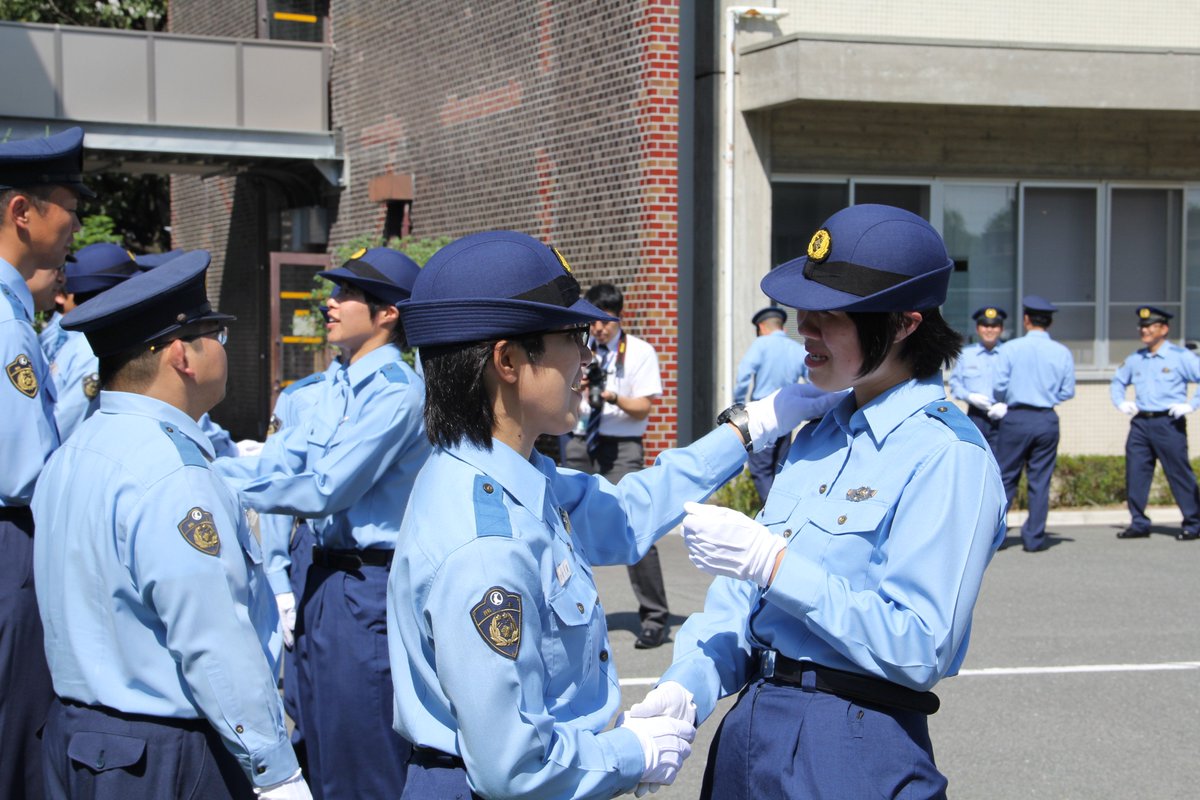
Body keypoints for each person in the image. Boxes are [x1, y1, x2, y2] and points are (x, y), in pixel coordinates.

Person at [386, 230, 826, 799]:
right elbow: (513, 766)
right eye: (574, 336)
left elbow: (626, 514)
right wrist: (631, 751)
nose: (589, 358)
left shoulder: (504, 475)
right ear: (509, 360)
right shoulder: (484, 544)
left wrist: (750, 426)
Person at [633, 204, 1006, 799]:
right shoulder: (820, 432)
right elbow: (742, 601)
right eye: (805, 310)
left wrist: (777, 566)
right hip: (754, 728)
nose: (804, 328)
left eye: (830, 316)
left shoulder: (947, 456)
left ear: (906, 323)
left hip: (852, 740)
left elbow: (919, 645)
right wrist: (685, 689)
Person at [31, 250, 310, 799]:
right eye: (217, 337)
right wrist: (278, 772)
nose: (222, 353)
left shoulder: (75, 450)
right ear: (182, 353)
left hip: (78, 737)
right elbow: (213, 639)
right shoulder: (174, 474)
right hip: (162, 755)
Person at [214, 247, 430, 799]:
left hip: (367, 587)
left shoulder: (396, 394)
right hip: (324, 578)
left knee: (362, 755)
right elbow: (284, 463)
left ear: (389, 314)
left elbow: (328, 487)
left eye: (348, 294)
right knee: (314, 737)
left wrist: (213, 482)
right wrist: (214, 465)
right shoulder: (334, 385)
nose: (330, 303)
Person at [0, 126, 87, 800]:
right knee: (18, 732)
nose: (74, 223)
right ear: (21, 211)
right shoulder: (6, 323)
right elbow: (24, 470)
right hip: (13, 539)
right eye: (68, 205)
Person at [561, 282, 671, 649]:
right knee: (562, 524)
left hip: (622, 445)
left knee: (634, 523)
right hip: (580, 441)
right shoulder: (581, 350)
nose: (600, 329)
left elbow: (644, 408)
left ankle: (655, 618)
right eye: (595, 322)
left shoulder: (639, 352)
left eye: (606, 323)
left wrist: (610, 395)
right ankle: (567, 612)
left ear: (619, 318)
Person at [990, 295, 1076, 552]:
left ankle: (998, 536)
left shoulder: (1010, 348)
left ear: (1026, 320)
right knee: (1040, 480)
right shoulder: (1062, 352)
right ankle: (1035, 538)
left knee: (1006, 478)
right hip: (1046, 418)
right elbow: (1067, 391)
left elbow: (998, 387)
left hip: (1016, 417)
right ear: (1048, 323)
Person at [1110, 306, 1200, 541]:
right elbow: (1118, 381)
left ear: (1164, 328)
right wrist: (1120, 402)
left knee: (1179, 474)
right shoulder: (1135, 359)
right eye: (1142, 326)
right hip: (1141, 423)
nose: (1144, 330)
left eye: (1150, 326)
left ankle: (1193, 522)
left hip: (1169, 422)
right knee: (1136, 473)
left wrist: (1191, 404)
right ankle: (1139, 523)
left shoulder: (1180, 357)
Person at [733, 305, 811, 500]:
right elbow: (812, 380)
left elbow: (743, 375)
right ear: (782, 327)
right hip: (788, 413)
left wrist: (739, 404)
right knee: (780, 468)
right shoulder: (797, 348)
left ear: (762, 327)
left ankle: (771, 515)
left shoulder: (761, 344)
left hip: (761, 413)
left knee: (760, 469)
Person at [949, 305, 1007, 451]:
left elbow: (1020, 384)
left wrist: (1008, 404)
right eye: (985, 325)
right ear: (977, 328)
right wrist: (970, 396)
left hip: (1004, 415)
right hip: (977, 416)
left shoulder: (1010, 353)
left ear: (1001, 329)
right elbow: (955, 384)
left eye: (994, 326)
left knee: (1004, 463)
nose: (989, 330)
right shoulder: (966, 354)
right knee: (976, 454)